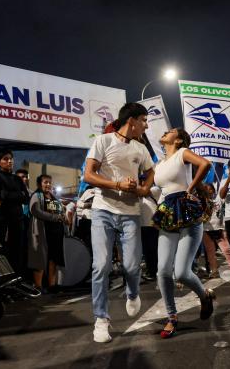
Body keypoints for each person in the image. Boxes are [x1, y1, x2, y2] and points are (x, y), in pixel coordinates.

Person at [83, 102, 154, 343]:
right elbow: (88, 175)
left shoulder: (140, 148)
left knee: (132, 266)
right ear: (132, 121)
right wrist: (117, 185)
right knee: (101, 265)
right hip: (103, 210)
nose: (146, 125)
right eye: (144, 120)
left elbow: (150, 172)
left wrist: (144, 188)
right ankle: (101, 320)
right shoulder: (103, 142)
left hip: (131, 212)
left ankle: (132, 293)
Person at [153, 128, 213, 339]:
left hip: (188, 212)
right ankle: (172, 317)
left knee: (181, 272)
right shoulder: (159, 164)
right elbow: (156, 189)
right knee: (162, 271)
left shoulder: (182, 152)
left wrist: (190, 188)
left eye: (169, 131)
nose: (165, 131)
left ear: (177, 140)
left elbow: (205, 164)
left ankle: (204, 296)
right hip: (168, 213)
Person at [0, 150, 30, 274]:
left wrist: (9, 195)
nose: (10, 161)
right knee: (3, 250)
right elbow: (1, 197)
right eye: (5, 159)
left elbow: (26, 198)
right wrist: (17, 195)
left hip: (18, 219)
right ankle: (4, 279)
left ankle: (17, 279)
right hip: (3, 220)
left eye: (11, 159)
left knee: (18, 251)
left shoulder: (18, 179)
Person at [27, 174, 65, 292]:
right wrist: (55, 217)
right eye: (45, 182)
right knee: (40, 259)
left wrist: (62, 216)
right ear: (39, 184)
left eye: (49, 182)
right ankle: (38, 286)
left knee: (53, 258)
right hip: (42, 231)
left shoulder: (54, 197)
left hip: (55, 232)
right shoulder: (36, 195)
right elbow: (35, 211)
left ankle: (52, 285)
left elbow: (60, 211)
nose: (48, 184)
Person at [202, 184, 230, 278]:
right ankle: (214, 271)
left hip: (219, 228)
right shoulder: (201, 201)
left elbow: (224, 195)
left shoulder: (218, 199)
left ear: (213, 190)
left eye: (210, 189)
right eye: (206, 189)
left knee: (226, 249)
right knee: (210, 252)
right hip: (206, 229)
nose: (209, 191)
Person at [140, 185, 161, 281]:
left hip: (153, 225)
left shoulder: (154, 189)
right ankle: (151, 271)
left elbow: (145, 191)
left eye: (145, 179)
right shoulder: (139, 195)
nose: (143, 182)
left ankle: (157, 271)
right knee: (147, 251)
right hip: (142, 225)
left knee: (154, 249)